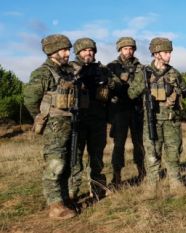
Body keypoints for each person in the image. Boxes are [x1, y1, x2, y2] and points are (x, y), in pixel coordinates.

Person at [23, 34, 77, 219]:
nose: (68, 53)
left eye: (67, 49)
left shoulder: (67, 72)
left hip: (70, 124)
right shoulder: (43, 73)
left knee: (68, 163)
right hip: (54, 126)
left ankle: (64, 198)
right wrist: (42, 117)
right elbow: (31, 99)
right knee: (56, 163)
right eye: (64, 50)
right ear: (53, 51)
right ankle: (55, 205)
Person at [128, 37, 186, 192]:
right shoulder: (144, 73)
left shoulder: (174, 73)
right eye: (166, 52)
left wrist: (177, 91)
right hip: (152, 120)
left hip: (171, 120)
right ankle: (152, 184)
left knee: (173, 152)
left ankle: (176, 182)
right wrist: (143, 86)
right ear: (156, 54)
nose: (169, 56)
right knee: (152, 153)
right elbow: (131, 94)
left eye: (170, 52)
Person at [68, 38, 120, 200]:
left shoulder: (101, 69)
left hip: (97, 118)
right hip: (76, 120)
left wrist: (107, 81)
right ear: (77, 52)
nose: (88, 53)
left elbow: (117, 85)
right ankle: (72, 191)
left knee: (96, 156)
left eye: (91, 50)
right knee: (75, 157)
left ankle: (98, 188)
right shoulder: (69, 68)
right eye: (84, 50)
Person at [107, 37, 146, 187]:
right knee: (118, 145)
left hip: (136, 109)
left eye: (131, 48)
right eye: (125, 48)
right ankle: (116, 177)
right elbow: (109, 89)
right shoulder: (111, 67)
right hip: (119, 111)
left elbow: (142, 86)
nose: (128, 51)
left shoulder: (140, 68)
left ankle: (142, 172)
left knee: (139, 143)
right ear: (120, 49)